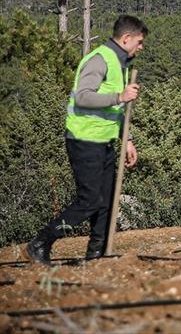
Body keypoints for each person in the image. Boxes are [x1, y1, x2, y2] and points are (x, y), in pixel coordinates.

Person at [26, 15, 146, 265]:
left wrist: (128, 139)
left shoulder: (119, 62)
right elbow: (83, 97)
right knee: (90, 201)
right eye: (139, 41)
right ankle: (41, 242)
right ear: (126, 39)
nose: (141, 47)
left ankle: (96, 256)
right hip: (84, 140)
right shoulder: (100, 59)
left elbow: (117, 111)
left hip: (105, 141)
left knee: (106, 201)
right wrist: (119, 96)